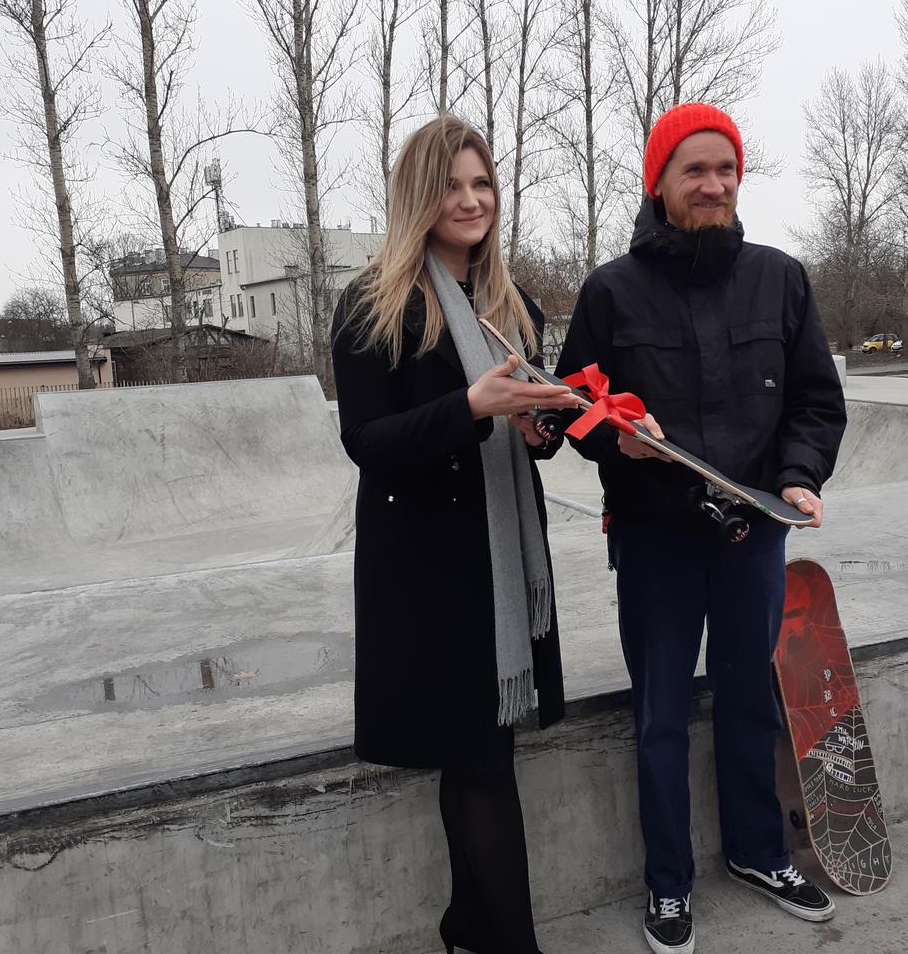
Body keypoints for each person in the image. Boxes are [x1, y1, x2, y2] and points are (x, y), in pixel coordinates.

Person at [555, 102, 847, 954]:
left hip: (753, 536)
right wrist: (619, 442)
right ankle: (669, 885)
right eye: (695, 170)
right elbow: (580, 406)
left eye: (726, 169)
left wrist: (798, 475)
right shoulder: (610, 291)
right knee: (660, 716)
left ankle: (760, 853)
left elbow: (815, 403)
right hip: (654, 542)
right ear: (661, 183)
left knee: (751, 698)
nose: (714, 184)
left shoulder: (781, 278)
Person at [330, 114, 579, 954]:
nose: (472, 200)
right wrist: (473, 409)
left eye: (483, 184)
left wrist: (540, 429)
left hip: (504, 557)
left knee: (478, 757)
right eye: (452, 185)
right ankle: (507, 940)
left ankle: (470, 924)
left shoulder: (513, 305)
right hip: (431, 570)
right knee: (479, 763)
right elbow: (366, 442)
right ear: (418, 195)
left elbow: (525, 436)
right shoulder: (375, 302)